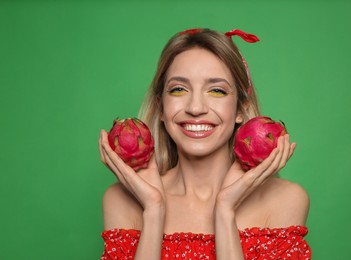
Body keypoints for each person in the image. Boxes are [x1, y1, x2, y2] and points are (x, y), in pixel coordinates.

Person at [98, 28, 311, 259]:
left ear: (241, 109)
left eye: (217, 91)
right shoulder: (121, 200)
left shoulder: (286, 200)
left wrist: (225, 211)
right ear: (161, 107)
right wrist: (153, 210)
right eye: (179, 89)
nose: (196, 108)